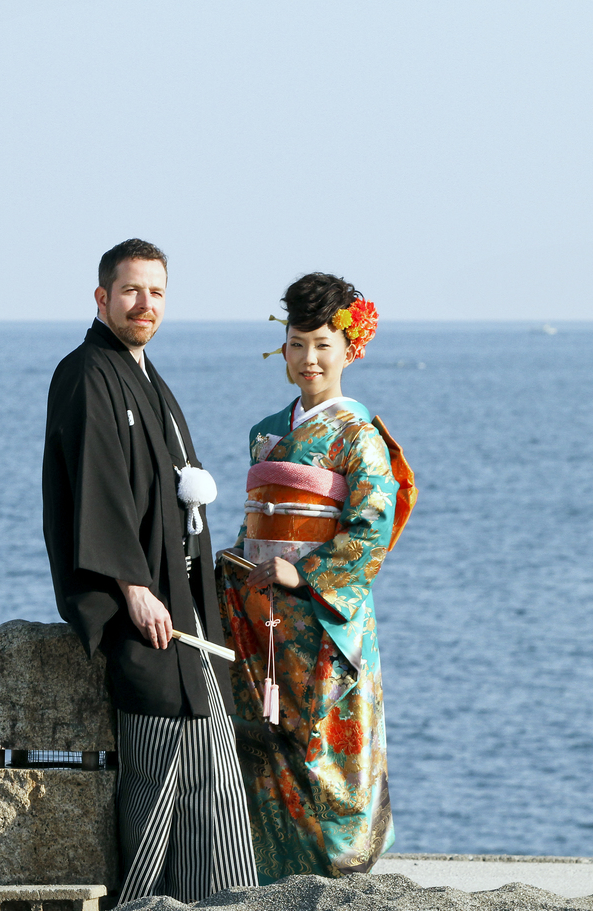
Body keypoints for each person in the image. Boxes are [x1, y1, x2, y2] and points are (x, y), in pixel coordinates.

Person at [42, 238, 258, 903]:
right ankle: (150, 900)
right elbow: (97, 487)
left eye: (157, 292)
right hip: (142, 609)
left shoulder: (145, 376)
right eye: (132, 290)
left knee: (212, 770)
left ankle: (215, 898)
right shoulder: (86, 373)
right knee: (161, 771)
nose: (145, 304)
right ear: (102, 297)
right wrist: (133, 588)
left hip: (183, 607)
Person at [215, 272, 414, 881]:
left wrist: (303, 575)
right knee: (263, 737)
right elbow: (258, 519)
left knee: (327, 745)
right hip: (263, 615)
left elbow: (370, 527)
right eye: (297, 344)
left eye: (323, 345)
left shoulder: (358, 435)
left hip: (324, 617)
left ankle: (340, 874)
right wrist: (237, 560)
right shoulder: (266, 432)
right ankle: (274, 874)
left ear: (350, 348)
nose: (309, 359)